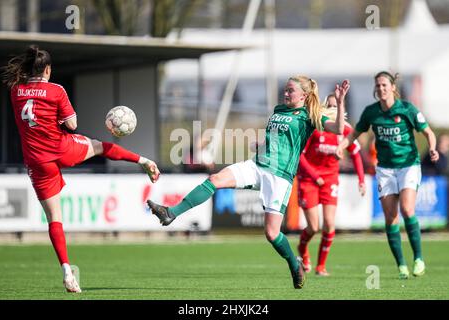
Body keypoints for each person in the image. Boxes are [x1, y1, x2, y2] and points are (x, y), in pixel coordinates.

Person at [148, 75, 350, 289]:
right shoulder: (279, 110)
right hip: (257, 165)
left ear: (304, 95)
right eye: (286, 89)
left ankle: (294, 264)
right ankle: (170, 213)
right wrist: (262, 145)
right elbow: (278, 139)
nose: (286, 93)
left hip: (279, 177)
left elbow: (338, 130)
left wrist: (340, 100)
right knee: (214, 179)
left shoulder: (310, 115)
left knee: (272, 234)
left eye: (291, 90)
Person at [2, 45, 160, 293]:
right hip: (62, 147)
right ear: (47, 69)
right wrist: (58, 117)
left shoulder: (16, 91)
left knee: (55, 219)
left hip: (36, 160)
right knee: (99, 146)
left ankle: (66, 269)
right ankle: (144, 161)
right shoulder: (56, 90)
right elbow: (72, 125)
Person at [346, 71, 439, 279]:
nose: (381, 89)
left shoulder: (407, 109)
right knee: (391, 217)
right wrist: (341, 146)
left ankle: (418, 258)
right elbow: (355, 133)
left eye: (384, 85)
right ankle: (401, 266)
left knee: (407, 209)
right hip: (385, 169)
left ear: (393, 87)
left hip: (408, 165)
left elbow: (428, 132)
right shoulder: (371, 112)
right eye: (377, 86)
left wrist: (432, 148)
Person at [297, 93, 366, 276]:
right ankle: (302, 248)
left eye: (338, 106)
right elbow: (300, 155)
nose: (334, 110)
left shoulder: (345, 131)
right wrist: (313, 175)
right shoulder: (316, 126)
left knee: (329, 224)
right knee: (313, 227)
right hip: (309, 179)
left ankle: (321, 266)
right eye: (331, 106)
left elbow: (356, 154)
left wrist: (361, 179)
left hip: (329, 179)